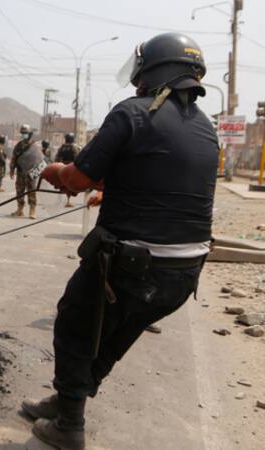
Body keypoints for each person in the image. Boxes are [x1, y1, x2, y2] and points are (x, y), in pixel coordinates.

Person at [23, 33, 218, 450]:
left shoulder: (132, 112)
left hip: (130, 265)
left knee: (74, 325)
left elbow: (77, 179)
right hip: (184, 274)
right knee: (112, 338)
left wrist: (54, 171)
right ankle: (68, 401)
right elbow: (155, 179)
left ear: (154, 70)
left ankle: (68, 426)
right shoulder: (206, 128)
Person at [9, 124, 44, 219]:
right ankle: (20, 209)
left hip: (32, 173)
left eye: (26, 133)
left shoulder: (35, 146)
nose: (24, 135)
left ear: (30, 134)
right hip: (20, 172)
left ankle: (32, 210)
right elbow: (14, 158)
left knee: (31, 191)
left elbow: (41, 160)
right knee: (19, 191)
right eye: (23, 133)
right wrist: (12, 169)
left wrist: (38, 172)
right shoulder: (19, 145)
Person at [55, 132, 82, 207]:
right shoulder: (75, 147)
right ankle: (68, 199)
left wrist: (57, 165)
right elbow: (78, 157)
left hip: (63, 166)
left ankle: (67, 199)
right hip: (72, 167)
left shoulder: (62, 147)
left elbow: (57, 158)